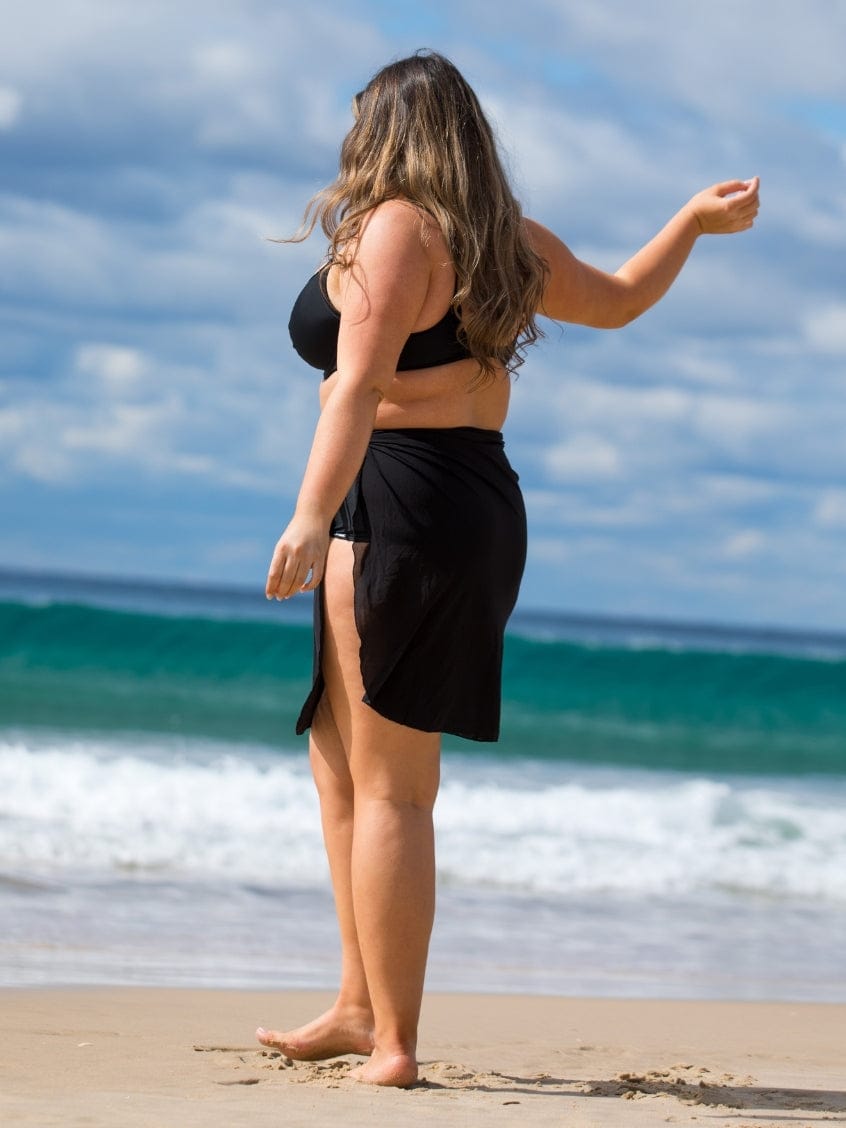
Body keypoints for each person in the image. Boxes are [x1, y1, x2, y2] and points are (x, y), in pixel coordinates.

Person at [258, 50, 759, 1087]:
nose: (350, 142)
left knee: (392, 786)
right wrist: (692, 225)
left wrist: (308, 516)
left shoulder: (401, 229)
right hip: (447, 501)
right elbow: (619, 299)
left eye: (362, 123)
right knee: (342, 764)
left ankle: (392, 1041)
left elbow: (356, 387)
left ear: (392, 130)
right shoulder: (503, 241)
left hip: (402, 504)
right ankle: (359, 1005)